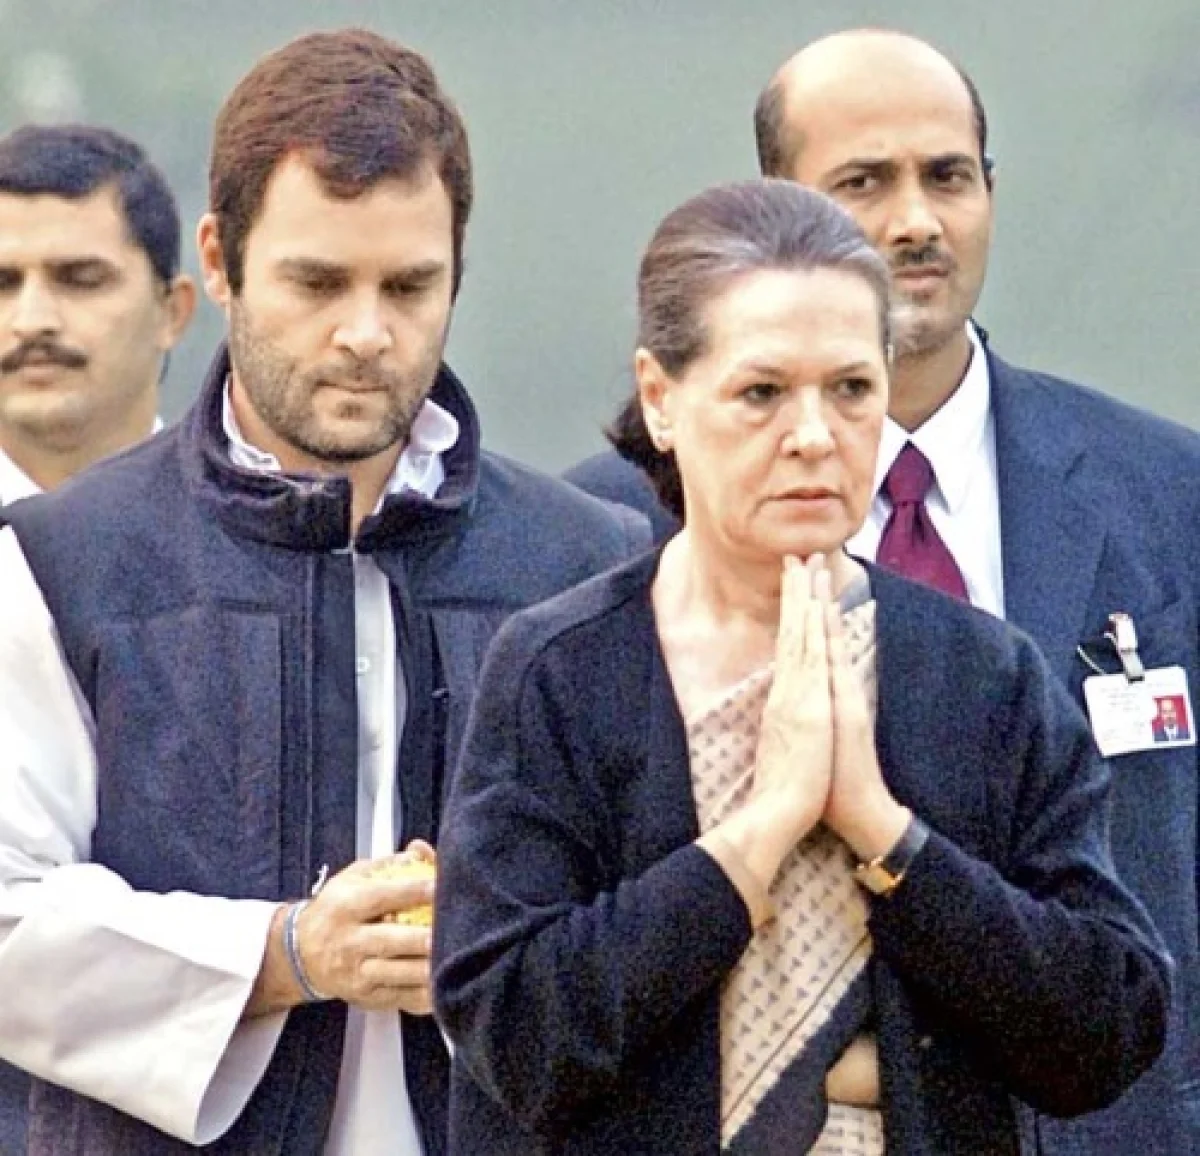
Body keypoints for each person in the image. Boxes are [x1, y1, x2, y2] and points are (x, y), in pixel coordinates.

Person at [0, 28, 646, 1156]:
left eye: (410, 285)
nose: (365, 333)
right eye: (317, 281)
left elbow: (661, 914)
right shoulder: (62, 558)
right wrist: (285, 954)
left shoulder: (587, 560)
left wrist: (503, 946)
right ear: (220, 262)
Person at [434, 180, 1169, 1155]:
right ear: (661, 397)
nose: (815, 435)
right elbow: (515, 1033)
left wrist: (885, 832)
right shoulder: (562, 670)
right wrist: (759, 833)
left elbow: (1108, 1026)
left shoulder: (982, 677)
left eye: (852, 389)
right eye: (762, 393)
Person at [566, 32, 1200, 1152]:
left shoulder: (1167, 498)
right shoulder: (608, 535)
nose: (915, 221)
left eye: (948, 177)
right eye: (863, 182)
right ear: (779, 208)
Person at [0, 124, 195, 506]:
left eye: (81, 280)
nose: (32, 321)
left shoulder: (255, 532)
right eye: (2, 284)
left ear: (171, 311)